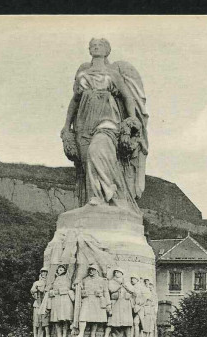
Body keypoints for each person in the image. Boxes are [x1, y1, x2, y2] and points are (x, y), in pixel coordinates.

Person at [61, 38, 148, 211]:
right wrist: (66, 126)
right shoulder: (82, 74)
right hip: (84, 122)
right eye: (93, 45)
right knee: (87, 163)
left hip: (107, 119)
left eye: (100, 45)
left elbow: (127, 97)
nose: (96, 46)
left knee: (97, 151)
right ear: (89, 50)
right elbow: (74, 101)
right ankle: (94, 199)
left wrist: (132, 121)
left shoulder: (113, 73)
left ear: (107, 50)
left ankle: (109, 194)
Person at [74, 264, 111, 337]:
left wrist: (108, 303)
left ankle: (93, 336)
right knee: (83, 317)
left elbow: (106, 292)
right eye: (90, 270)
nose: (91, 271)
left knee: (95, 319)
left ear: (97, 271)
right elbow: (78, 289)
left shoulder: (102, 280)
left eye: (93, 269)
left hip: (97, 300)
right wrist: (82, 291)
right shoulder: (85, 280)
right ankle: (81, 334)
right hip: (87, 299)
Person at [46, 264, 75, 337]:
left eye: (62, 269)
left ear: (65, 270)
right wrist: (52, 292)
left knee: (64, 318)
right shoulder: (55, 279)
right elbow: (50, 289)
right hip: (56, 300)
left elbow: (71, 269)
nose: (60, 270)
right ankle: (59, 336)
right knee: (56, 319)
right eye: (59, 269)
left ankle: (64, 336)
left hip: (65, 299)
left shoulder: (67, 277)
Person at [105, 269, 135, 337]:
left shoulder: (126, 282)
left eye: (118, 272)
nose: (116, 273)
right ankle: (106, 336)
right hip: (116, 303)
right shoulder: (112, 281)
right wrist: (119, 286)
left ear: (122, 273)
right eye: (115, 272)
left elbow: (132, 290)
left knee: (126, 321)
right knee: (112, 320)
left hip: (125, 304)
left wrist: (125, 286)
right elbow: (111, 289)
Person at [30, 268, 48, 337]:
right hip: (37, 303)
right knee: (36, 322)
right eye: (42, 272)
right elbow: (32, 291)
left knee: (42, 321)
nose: (44, 274)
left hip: (44, 303)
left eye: (45, 272)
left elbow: (45, 291)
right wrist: (36, 287)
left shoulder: (48, 282)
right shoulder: (37, 282)